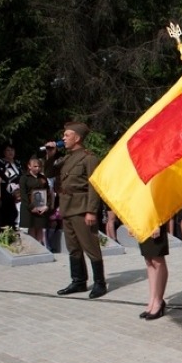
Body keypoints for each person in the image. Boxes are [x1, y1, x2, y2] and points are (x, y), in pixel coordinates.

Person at [47, 122, 107, 298]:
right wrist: (50, 156)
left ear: (77, 138)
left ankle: (99, 283)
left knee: (91, 246)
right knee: (73, 248)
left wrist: (91, 211)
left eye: (67, 135)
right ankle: (78, 281)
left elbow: (94, 186)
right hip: (67, 207)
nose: (63, 138)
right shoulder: (66, 158)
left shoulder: (89, 158)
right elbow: (49, 173)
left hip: (82, 208)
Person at [137, 223, 169, 320]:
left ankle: (158, 301)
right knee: (149, 261)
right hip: (142, 221)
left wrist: (157, 224)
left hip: (156, 219)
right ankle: (152, 300)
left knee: (157, 261)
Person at [18, 157, 51, 247]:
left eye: (39, 166)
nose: (37, 168)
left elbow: (48, 193)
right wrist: (31, 207)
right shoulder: (24, 178)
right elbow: (23, 195)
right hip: (29, 207)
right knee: (32, 227)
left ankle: (40, 247)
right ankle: (33, 248)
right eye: (35, 166)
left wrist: (47, 205)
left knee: (40, 227)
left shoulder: (43, 178)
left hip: (41, 206)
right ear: (29, 166)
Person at [0, 145, 22, 228]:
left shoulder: (17, 163)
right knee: (7, 217)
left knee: (16, 215)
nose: (11, 152)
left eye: (12, 150)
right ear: (4, 152)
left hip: (18, 194)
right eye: (8, 150)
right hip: (5, 195)